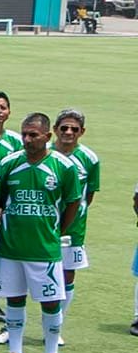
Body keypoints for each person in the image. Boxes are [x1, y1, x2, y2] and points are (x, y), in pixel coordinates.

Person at [0, 112, 82, 353]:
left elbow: (73, 201)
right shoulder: (9, 164)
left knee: (50, 302)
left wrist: (57, 231)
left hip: (44, 250)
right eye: (24, 134)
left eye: (33, 135)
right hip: (10, 248)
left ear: (47, 136)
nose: (27, 139)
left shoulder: (63, 166)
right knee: (14, 299)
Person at [52, 109, 100, 300]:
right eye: (64, 128)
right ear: (55, 129)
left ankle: (59, 318)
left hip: (73, 227)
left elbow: (89, 195)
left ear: (82, 131)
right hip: (42, 223)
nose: (69, 132)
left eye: (74, 129)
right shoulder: (43, 153)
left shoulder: (90, 158)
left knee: (67, 273)